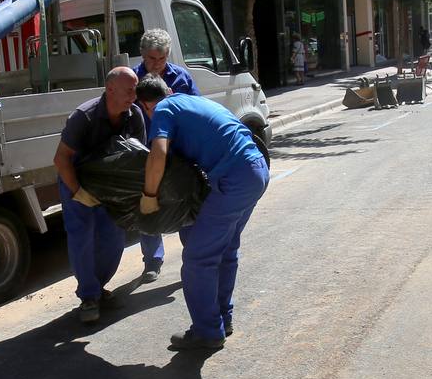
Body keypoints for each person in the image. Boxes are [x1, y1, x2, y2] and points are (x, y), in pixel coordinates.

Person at [136, 75, 269, 350]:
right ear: (169, 90)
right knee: (226, 249)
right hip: (257, 168)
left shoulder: (162, 109)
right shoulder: (193, 101)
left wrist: (149, 196)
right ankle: (222, 319)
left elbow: (158, 153)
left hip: (234, 178)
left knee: (198, 259)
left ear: (146, 106)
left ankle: (207, 332)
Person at [52, 67, 146, 322]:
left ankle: (98, 286)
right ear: (110, 89)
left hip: (111, 184)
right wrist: (78, 192)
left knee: (113, 237)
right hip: (77, 180)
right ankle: (88, 297)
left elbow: (140, 158)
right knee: (82, 236)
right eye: (129, 90)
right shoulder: (84, 116)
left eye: (135, 90)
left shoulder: (134, 115)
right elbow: (61, 159)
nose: (133, 96)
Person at [132, 28, 199, 285]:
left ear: (168, 56)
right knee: (147, 205)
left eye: (161, 59)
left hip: (178, 152)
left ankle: (193, 257)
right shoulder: (133, 80)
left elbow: (196, 109)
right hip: (145, 152)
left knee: (185, 204)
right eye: (151, 59)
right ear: (142, 56)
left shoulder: (181, 78)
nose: (156, 65)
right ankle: (152, 260)